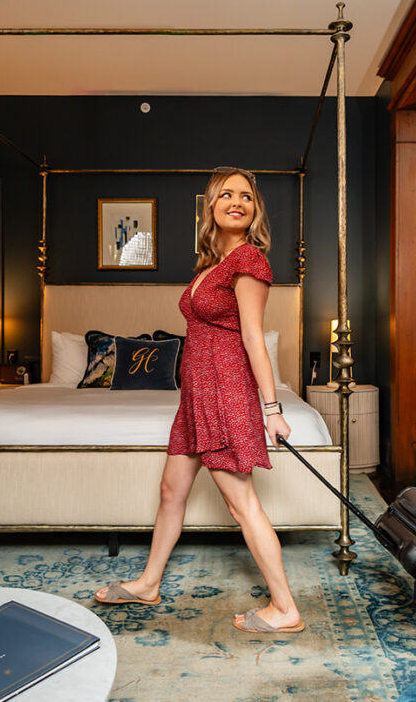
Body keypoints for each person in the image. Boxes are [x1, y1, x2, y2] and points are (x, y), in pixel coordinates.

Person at [95, 166, 304, 634]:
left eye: (246, 197)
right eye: (226, 194)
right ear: (209, 207)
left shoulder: (250, 260)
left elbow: (253, 339)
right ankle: (150, 582)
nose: (237, 202)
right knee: (172, 492)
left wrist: (272, 410)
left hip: (225, 393)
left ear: (255, 210)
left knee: (242, 505)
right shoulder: (212, 265)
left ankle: (286, 608)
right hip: (195, 397)